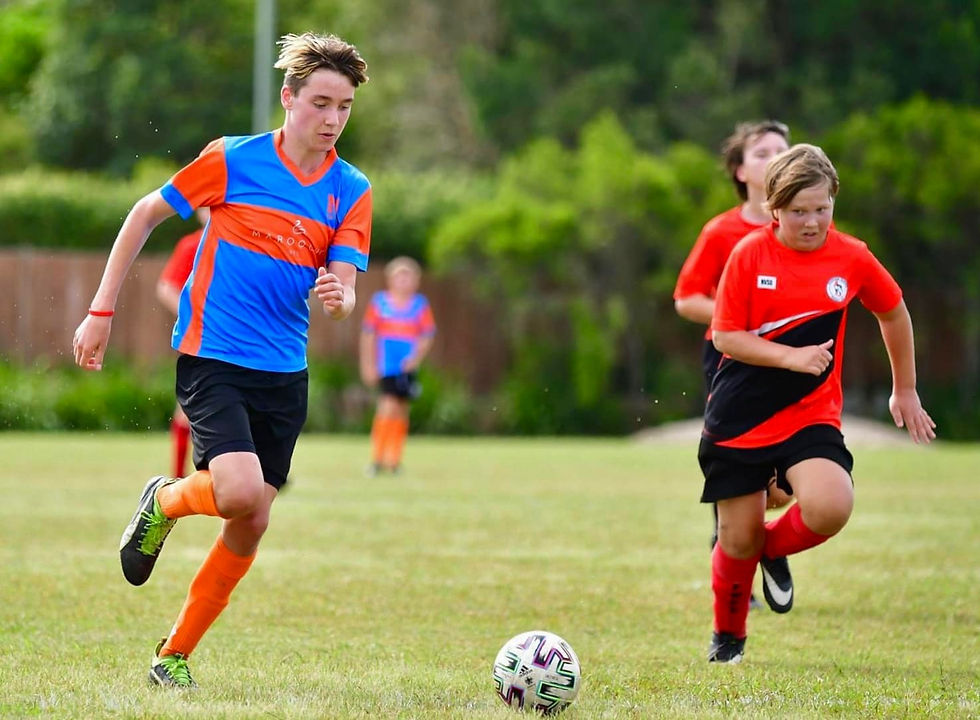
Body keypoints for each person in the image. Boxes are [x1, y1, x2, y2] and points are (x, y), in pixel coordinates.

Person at [71, 31, 371, 688]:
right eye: (320, 102)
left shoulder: (350, 188)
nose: (331, 119)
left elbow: (345, 288)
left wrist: (339, 296)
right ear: (288, 98)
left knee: (253, 517)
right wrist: (101, 308)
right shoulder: (234, 160)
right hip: (213, 357)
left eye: (344, 106)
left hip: (284, 374)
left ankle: (173, 654)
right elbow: (145, 214)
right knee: (236, 492)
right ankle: (166, 501)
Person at [699, 143, 936, 663]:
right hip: (740, 416)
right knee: (735, 542)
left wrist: (906, 388)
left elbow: (893, 313)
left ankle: (768, 548)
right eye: (799, 211)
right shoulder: (749, 254)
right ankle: (729, 638)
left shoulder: (851, 255)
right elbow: (725, 337)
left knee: (832, 505)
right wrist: (791, 357)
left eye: (822, 209)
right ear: (775, 209)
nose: (811, 222)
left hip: (810, 413)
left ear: (834, 202)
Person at [674, 120, 794, 612]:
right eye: (761, 152)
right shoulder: (722, 231)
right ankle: (738, 552)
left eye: (782, 150)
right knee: (737, 462)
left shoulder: (804, 226)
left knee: (790, 472)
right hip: (728, 360)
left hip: (793, 360)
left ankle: (761, 540)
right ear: (740, 171)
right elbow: (686, 299)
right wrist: (736, 318)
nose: (773, 158)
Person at [359, 256, 436, 475]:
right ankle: (377, 457)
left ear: (416, 281)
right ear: (390, 279)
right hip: (386, 365)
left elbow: (427, 335)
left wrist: (415, 359)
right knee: (387, 406)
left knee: (402, 410)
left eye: (408, 277)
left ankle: (394, 459)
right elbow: (368, 335)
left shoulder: (420, 305)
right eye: (399, 277)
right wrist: (368, 364)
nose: (404, 282)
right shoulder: (380, 302)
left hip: (407, 367)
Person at [156, 208, 209, 478]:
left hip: (242, 341)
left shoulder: (245, 245)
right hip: (203, 340)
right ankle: (175, 477)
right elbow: (166, 287)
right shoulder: (193, 245)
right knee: (187, 409)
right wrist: (194, 315)